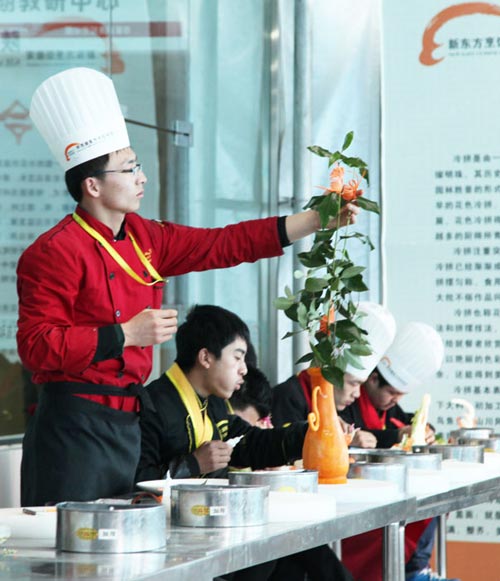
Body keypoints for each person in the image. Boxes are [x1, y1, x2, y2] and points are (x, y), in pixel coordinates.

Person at [17, 67, 359, 506]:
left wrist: (314, 220)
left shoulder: (147, 237)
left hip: (127, 429)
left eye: (138, 166)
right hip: (73, 430)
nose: (141, 177)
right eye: (129, 169)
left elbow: (225, 244)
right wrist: (124, 334)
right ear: (92, 185)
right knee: (74, 542)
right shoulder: (54, 251)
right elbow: (36, 347)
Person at [339, 323, 459, 581]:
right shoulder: (347, 405)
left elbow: (405, 423)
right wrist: (394, 436)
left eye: (400, 395)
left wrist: (424, 429)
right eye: (391, 393)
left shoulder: (388, 407)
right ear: (372, 379)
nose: (395, 400)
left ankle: (415, 571)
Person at [229, 368, 355, 581]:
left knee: (298, 547)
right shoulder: (288, 397)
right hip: (239, 531)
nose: (260, 427)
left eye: (263, 422)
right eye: (353, 383)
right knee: (293, 538)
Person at [272, 301, 396, 451]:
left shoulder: (339, 403)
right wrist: (338, 440)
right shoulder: (288, 395)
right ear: (331, 374)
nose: (357, 394)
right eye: (353, 383)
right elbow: (283, 449)